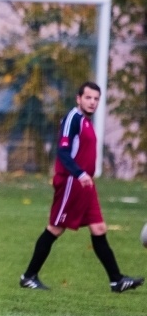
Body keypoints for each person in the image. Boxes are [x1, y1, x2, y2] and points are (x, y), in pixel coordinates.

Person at [19, 81, 143, 293]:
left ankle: (116, 280)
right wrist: (79, 173)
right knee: (56, 228)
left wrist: (86, 176)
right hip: (71, 182)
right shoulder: (72, 119)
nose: (92, 102)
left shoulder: (86, 122)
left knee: (99, 228)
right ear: (78, 98)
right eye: (88, 97)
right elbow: (63, 152)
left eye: (96, 99)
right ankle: (29, 276)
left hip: (86, 184)